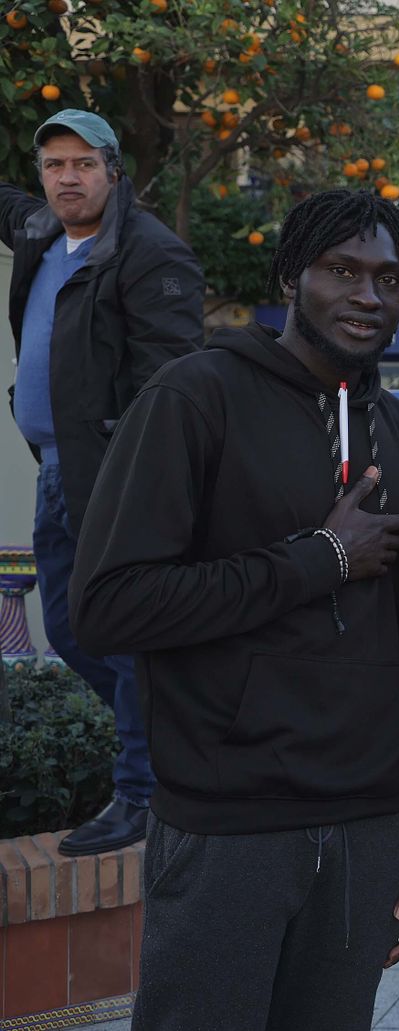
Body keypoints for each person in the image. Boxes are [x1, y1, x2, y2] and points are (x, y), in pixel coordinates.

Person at [69, 190, 399, 1030]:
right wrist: (321, 558)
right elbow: (108, 606)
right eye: (341, 270)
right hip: (228, 826)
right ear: (290, 277)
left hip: (366, 827)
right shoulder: (194, 396)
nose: (367, 295)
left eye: (389, 279)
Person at [2, 109, 203, 856]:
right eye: (54, 165)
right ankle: (174, 740)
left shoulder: (151, 253)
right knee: (69, 631)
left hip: (111, 479)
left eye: (84, 164)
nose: (68, 178)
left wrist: (135, 474)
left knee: (121, 636)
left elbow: (170, 380)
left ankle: (143, 794)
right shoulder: (40, 230)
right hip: (55, 471)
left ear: (113, 173)